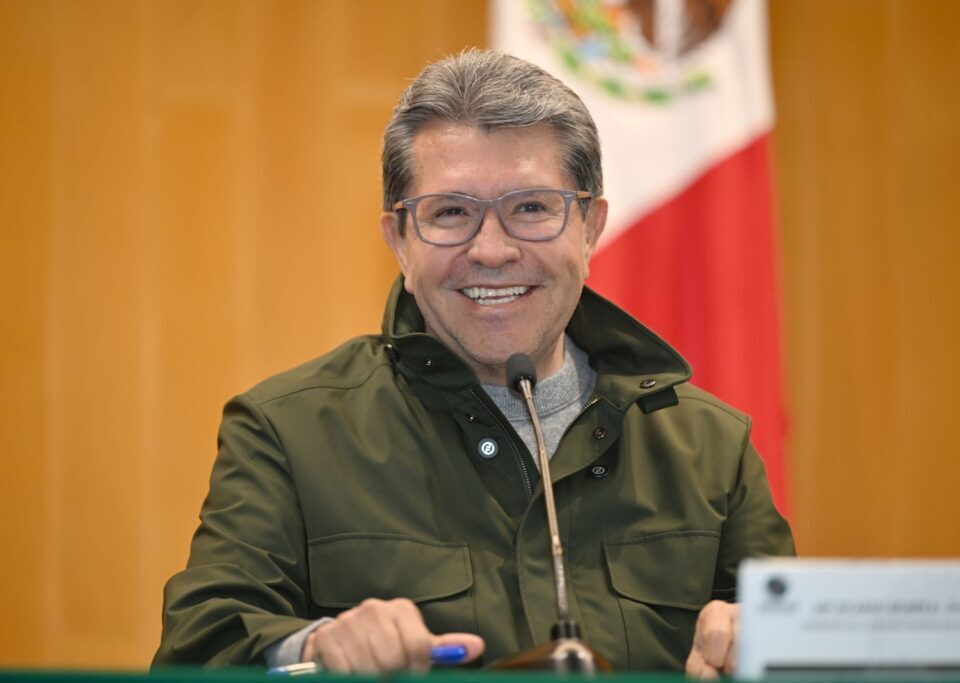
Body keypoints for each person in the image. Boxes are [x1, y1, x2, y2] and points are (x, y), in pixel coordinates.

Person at [154, 49, 794, 676]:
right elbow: (198, 651)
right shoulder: (287, 433)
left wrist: (774, 652)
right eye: (452, 212)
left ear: (590, 228)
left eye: (531, 207)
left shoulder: (711, 448)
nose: (491, 250)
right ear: (399, 242)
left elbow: (804, 647)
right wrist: (311, 650)